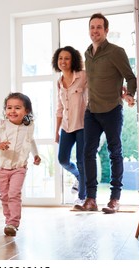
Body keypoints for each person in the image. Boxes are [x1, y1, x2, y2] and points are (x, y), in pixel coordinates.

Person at [75, 13, 137, 213]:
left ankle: (115, 199)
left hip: (112, 109)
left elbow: (130, 77)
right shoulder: (87, 53)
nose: (95, 31)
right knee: (87, 153)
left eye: (99, 27)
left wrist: (129, 94)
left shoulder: (116, 52)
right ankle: (91, 199)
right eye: (92, 27)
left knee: (114, 153)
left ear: (106, 30)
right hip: (91, 110)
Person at [0, 92, 41, 236]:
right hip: (2, 168)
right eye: (9, 107)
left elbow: (30, 141)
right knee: (4, 196)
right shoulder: (2, 126)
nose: (12, 111)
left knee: (14, 194)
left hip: (19, 167)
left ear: (27, 111)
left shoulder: (29, 126)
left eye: (17, 108)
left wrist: (35, 154)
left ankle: (13, 223)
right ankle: (8, 220)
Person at [52, 46, 88, 209]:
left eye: (67, 58)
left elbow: (90, 96)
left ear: (73, 59)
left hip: (82, 125)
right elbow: (59, 107)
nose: (63, 61)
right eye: (60, 58)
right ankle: (79, 177)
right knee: (63, 159)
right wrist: (57, 131)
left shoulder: (83, 76)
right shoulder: (59, 82)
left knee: (82, 161)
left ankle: (82, 197)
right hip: (66, 126)